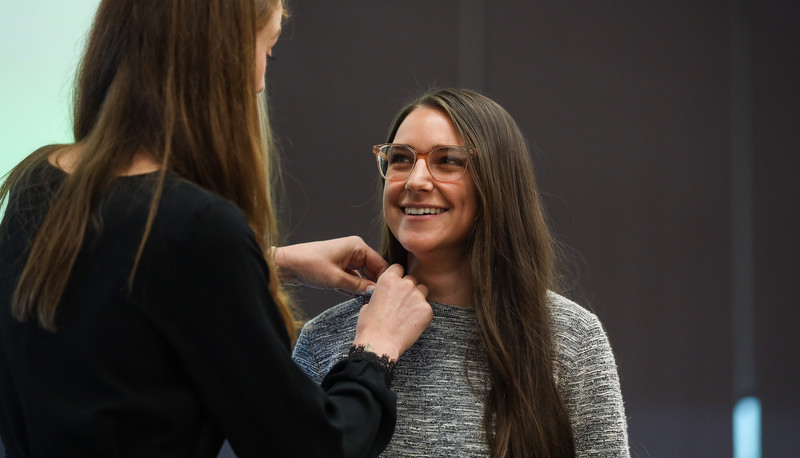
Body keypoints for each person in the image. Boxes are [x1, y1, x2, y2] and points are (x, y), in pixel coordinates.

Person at [0, 0, 433, 456]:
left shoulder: (40, 180)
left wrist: (266, 263)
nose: (260, 84)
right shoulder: (200, 231)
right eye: (266, 51)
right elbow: (312, 447)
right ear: (222, 58)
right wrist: (375, 349)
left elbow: (115, 302)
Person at [292, 88, 630, 457]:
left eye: (448, 161)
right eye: (401, 159)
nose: (415, 181)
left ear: (497, 182)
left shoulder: (570, 337)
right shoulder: (326, 338)